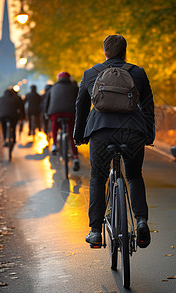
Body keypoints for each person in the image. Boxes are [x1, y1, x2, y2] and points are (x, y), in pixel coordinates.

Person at [74, 34, 155, 248]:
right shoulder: (137, 72)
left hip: (101, 131)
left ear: (105, 52)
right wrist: (149, 133)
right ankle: (140, 220)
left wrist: (79, 134)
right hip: (133, 131)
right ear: (124, 52)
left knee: (98, 178)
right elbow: (147, 106)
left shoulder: (91, 73)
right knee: (134, 175)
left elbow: (81, 106)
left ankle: (95, 232)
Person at [46, 72, 80, 171]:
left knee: (54, 123)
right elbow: (79, 100)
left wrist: (47, 113)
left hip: (55, 112)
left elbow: (46, 102)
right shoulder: (74, 87)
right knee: (71, 134)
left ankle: (53, 145)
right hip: (70, 112)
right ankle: (75, 157)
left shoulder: (53, 87)